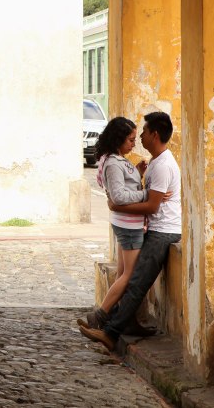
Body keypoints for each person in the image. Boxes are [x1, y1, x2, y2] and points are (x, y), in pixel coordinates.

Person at [79, 111, 182, 351]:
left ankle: (109, 330)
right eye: (133, 137)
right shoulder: (155, 162)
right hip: (153, 227)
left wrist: (118, 204)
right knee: (132, 278)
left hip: (164, 230)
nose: (140, 138)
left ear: (154, 135)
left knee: (134, 282)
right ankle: (115, 324)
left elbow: (153, 204)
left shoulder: (163, 166)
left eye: (143, 133)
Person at [77, 117, 148, 331]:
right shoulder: (113, 163)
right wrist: (147, 194)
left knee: (121, 273)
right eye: (130, 140)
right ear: (119, 139)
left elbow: (120, 187)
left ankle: (118, 317)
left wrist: (136, 172)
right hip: (129, 225)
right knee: (129, 275)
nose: (134, 143)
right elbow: (117, 196)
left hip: (124, 223)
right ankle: (101, 315)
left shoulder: (113, 159)